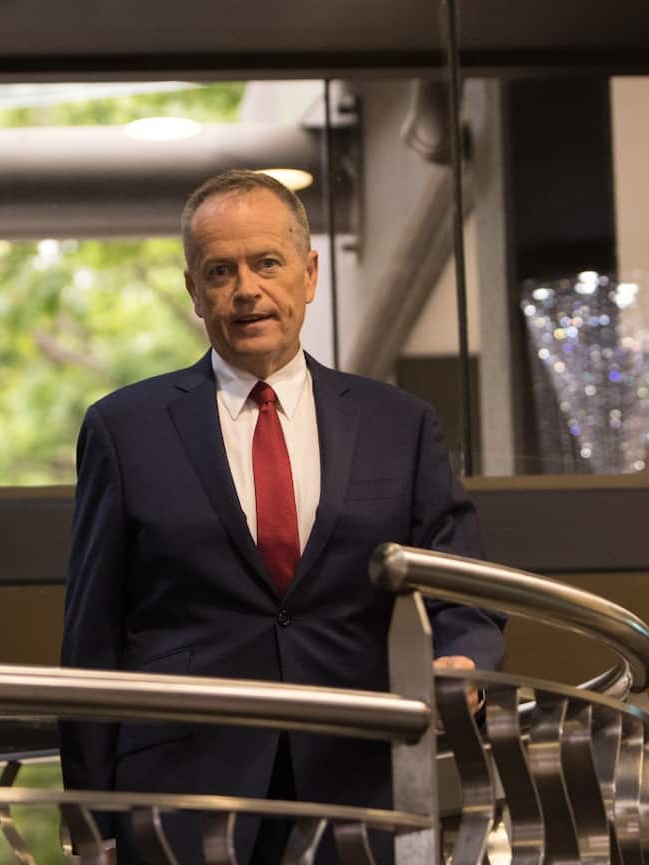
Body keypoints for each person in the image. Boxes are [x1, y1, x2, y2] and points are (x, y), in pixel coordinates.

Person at [59, 169, 504, 865]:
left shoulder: (400, 423)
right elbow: (92, 634)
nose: (246, 289)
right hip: (182, 795)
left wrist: (466, 658)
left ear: (309, 272)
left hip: (359, 785)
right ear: (193, 290)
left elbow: (461, 585)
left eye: (267, 262)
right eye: (220, 270)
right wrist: (92, 823)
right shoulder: (124, 428)